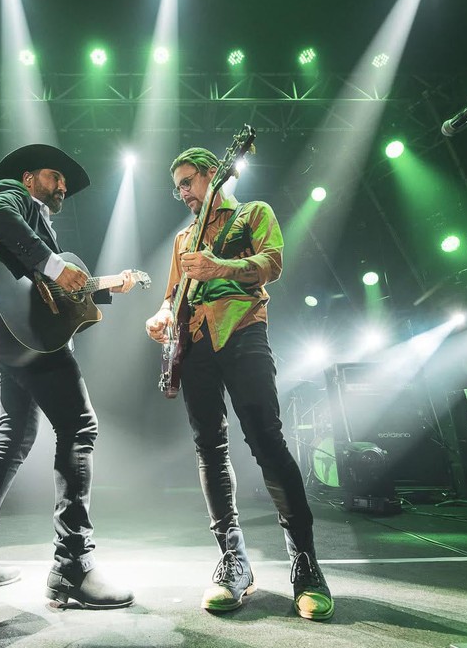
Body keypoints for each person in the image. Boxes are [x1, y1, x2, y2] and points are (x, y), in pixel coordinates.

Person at [0, 144, 136, 609]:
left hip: (13, 338)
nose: (63, 186)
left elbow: (48, 290)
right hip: (21, 338)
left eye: (65, 183)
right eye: (55, 176)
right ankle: (73, 564)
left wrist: (108, 285)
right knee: (79, 427)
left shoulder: (39, 224)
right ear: (29, 178)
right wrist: (54, 265)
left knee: (14, 437)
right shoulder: (13, 194)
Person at [144, 147, 333, 620]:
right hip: (195, 343)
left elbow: (273, 263)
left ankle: (305, 563)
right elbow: (173, 294)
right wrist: (161, 314)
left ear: (213, 173)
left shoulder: (252, 213)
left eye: (188, 181)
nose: (182, 193)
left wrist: (220, 268)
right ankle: (233, 559)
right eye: (177, 187)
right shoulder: (183, 239)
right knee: (208, 447)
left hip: (244, 329)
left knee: (266, 439)